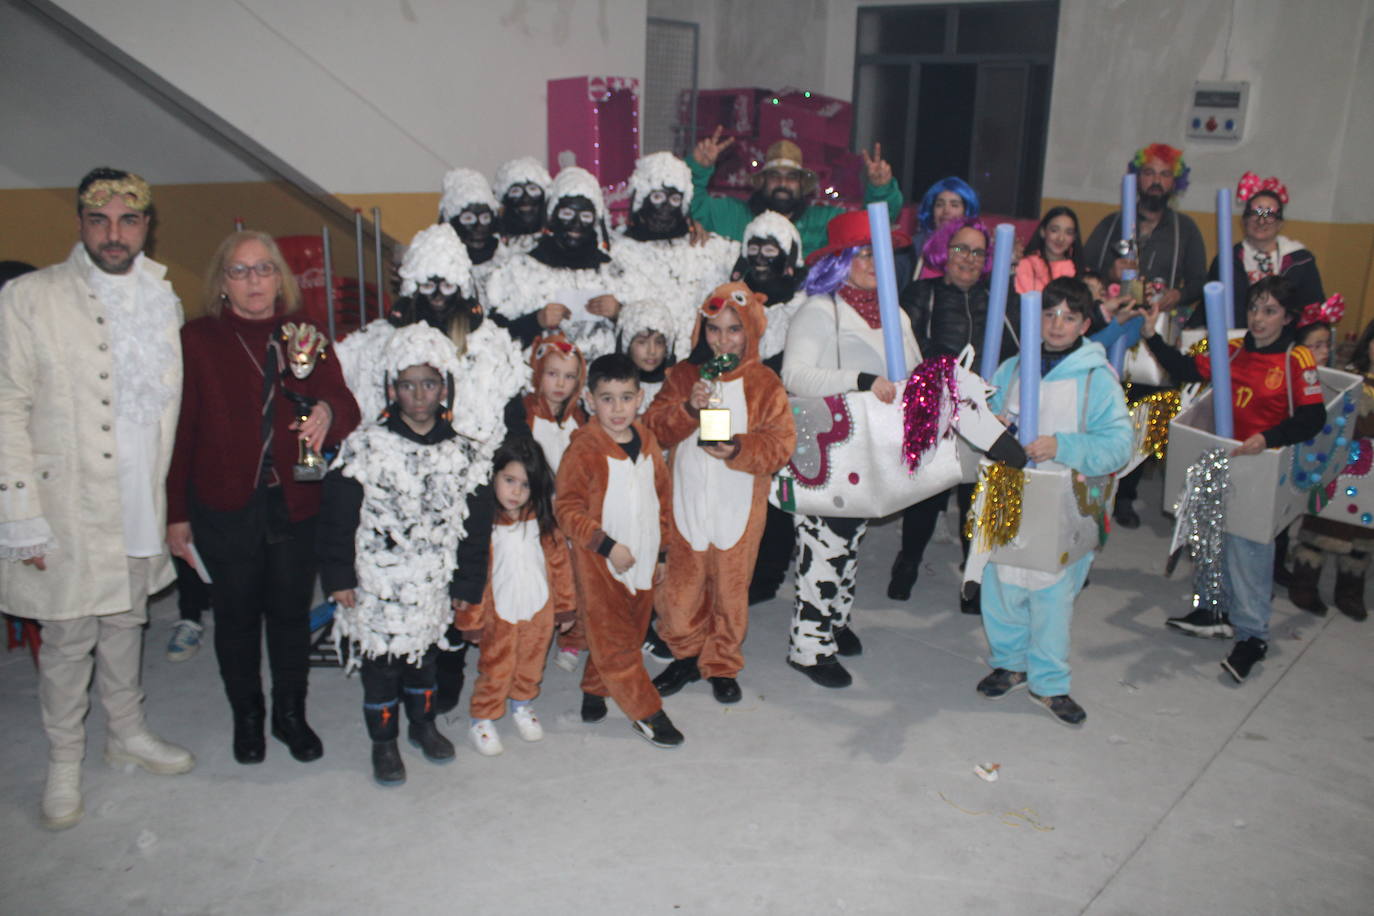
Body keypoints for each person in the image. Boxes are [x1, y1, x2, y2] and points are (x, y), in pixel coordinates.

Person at [0, 168, 193, 830]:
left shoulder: (161, 298)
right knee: (67, 639)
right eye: (100, 220)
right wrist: (20, 515)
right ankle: (62, 761)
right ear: (81, 223)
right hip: (69, 503)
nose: (115, 233)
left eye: (128, 220)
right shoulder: (31, 298)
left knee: (125, 622)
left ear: (147, 226)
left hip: (139, 493)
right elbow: (7, 406)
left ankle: (126, 733)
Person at [167, 230, 361, 765]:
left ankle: (290, 714)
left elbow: (344, 403)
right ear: (222, 283)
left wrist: (325, 411)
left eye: (264, 269)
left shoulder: (305, 335)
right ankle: (247, 716)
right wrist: (175, 513)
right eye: (240, 270)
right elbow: (180, 430)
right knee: (234, 617)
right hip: (223, 503)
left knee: (290, 615)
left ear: (280, 278)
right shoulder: (197, 340)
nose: (254, 281)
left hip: (295, 500)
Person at [336, 222, 525, 716]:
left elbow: (511, 421)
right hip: (393, 495)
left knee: (460, 593)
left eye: (447, 285)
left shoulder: (493, 343)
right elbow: (353, 409)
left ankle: (444, 679)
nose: (438, 296)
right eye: (427, 284)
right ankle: (391, 687)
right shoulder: (377, 342)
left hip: (468, 483)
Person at [317, 323, 491, 785]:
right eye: (408, 385)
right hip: (376, 587)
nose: (418, 395)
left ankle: (423, 724)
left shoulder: (463, 454)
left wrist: (466, 584)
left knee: (426, 660)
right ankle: (384, 740)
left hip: (432, 585)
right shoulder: (365, 447)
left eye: (429, 384)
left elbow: (474, 532)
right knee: (382, 667)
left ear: (445, 388)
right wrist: (339, 578)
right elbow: (337, 522)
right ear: (392, 388)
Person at [1138, 276, 1326, 682]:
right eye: (1255, 308)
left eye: (1270, 311)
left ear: (1288, 318)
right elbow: (1188, 368)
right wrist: (1151, 336)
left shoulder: (1297, 359)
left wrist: (1268, 438)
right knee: (1207, 533)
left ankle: (1253, 635)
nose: (1258, 318)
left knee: (1248, 549)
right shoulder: (1236, 351)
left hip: (1261, 465)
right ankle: (1212, 609)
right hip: (1223, 456)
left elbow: (1313, 417)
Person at [975, 278, 1133, 725]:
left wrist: (1062, 446)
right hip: (1009, 491)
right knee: (1002, 583)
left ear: (1085, 323)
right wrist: (992, 423)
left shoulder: (1095, 379)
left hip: (1064, 497)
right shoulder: (1013, 368)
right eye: (1048, 314)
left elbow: (1118, 445)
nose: (1056, 324)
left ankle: (1049, 682)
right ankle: (1009, 662)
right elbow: (983, 418)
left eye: (1068, 316)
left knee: (1051, 595)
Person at [781, 211, 921, 687]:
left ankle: (834, 623)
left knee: (851, 540)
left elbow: (914, 370)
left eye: (879, 254)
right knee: (824, 542)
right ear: (841, 261)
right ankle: (809, 644)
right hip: (826, 446)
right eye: (862, 254)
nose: (874, 264)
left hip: (872, 448)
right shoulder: (820, 310)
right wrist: (860, 382)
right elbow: (794, 376)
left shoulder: (894, 311)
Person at [645, 282, 795, 703]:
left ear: (749, 332)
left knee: (731, 592)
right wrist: (688, 409)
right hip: (687, 503)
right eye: (714, 330)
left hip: (738, 507)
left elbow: (780, 445)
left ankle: (722, 661)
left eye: (733, 330)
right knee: (680, 590)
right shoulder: (684, 375)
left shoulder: (764, 383)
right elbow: (654, 426)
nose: (723, 340)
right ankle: (685, 654)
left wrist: (739, 447)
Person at [554, 353, 682, 747]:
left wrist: (660, 554)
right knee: (616, 643)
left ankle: (595, 688)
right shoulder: (584, 448)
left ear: (640, 398)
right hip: (600, 564)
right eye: (606, 398)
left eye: (626, 397)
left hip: (642, 561)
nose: (617, 408)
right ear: (590, 400)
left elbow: (661, 499)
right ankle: (648, 712)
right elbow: (566, 509)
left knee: (626, 632)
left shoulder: (647, 441)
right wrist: (606, 545)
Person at [890, 217, 1018, 606]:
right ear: (945, 251)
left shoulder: (998, 302)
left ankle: (972, 578)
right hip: (935, 410)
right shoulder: (921, 293)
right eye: (961, 248)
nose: (969, 258)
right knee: (926, 498)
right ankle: (908, 562)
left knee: (975, 499)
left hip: (984, 414)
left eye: (978, 251)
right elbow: (905, 348)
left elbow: (1015, 356)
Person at [1084, 144, 1207, 530]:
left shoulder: (1185, 229)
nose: (1156, 180)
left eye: (1164, 174)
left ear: (1176, 181)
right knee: (1104, 409)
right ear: (1138, 178)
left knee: (1147, 416)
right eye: (1150, 173)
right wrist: (1110, 271)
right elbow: (1085, 269)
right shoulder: (1112, 223)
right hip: (1116, 328)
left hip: (1156, 335)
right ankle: (1094, 485)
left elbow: (1201, 281)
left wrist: (1178, 294)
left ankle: (1128, 493)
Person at [456, 437, 575, 756]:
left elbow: (560, 565)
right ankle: (482, 717)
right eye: (509, 481)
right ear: (493, 476)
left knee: (531, 665)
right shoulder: (484, 525)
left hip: (539, 610)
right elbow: (472, 578)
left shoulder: (543, 522)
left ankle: (521, 704)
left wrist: (565, 609)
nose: (516, 492)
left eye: (525, 485)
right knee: (496, 669)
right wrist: (471, 620)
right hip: (500, 615)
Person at [730, 211, 810, 604]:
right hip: (732, 415)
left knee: (779, 502)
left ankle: (768, 573)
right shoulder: (730, 300)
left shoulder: (804, 308)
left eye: (771, 250)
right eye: (754, 249)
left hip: (782, 422)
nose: (761, 258)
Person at [484, 166, 634, 360]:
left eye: (585, 216)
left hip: (603, 385)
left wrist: (619, 313)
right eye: (567, 214)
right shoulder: (521, 268)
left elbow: (645, 338)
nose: (576, 223)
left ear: (596, 220)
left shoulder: (614, 270)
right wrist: (535, 321)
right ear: (552, 216)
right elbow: (493, 337)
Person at [1285, 299, 1369, 621]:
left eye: (1326, 345)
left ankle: (1350, 588)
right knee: (1321, 522)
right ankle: (1304, 580)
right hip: (1331, 466)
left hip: (1367, 474)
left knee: (1362, 530)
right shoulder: (1347, 380)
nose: (1322, 350)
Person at [688, 130, 903, 256]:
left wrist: (880, 189)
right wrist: (698, 169)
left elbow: (870, 226)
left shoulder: (824, 222)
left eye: (791, 177)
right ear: (762, 182)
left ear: (802, 185)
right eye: (775, 176)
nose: (782, 182)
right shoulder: (732, 214)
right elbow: (690, 205)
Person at [613, 151, 738, 360]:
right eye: (657, 197)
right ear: (641, 199)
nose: (665, 208)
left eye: (674, 199)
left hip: (698, 372)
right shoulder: (617, 251)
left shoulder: (706, 248)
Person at [1196, 173, 1325, 329]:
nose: (1261, 221)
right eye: (1255, 214)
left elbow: (1313, 311)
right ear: (1243, 221)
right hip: (1235, 343)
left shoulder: (1301, 261)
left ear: (1280, 224)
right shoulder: (1226, 260)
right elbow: (1207, 311)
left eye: (1269, 215)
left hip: (1284, 347)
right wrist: (1192, 346)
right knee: (1195, 349)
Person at [439, 167, 508, 300]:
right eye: (468, 218)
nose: (479, 227)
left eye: (485, 218)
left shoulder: (506, 262)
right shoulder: (441, 266)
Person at [911, 177, 981, 280]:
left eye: (954, 205)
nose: (946, 211)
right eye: (940, 205)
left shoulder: (977, 249)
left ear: (967, 212)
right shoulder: (916, 246)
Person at [492, 156, 553, 257]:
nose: (525, 199)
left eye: (533, 189)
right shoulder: (493, 246)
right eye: (516, 191)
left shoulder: (557, 243)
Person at [1015, 206, 1084, 293]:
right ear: (1043, 232)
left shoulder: (1079, 271)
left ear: (1074, 238)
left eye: (1068, 233)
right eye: (1054, 230)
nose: (1060, 238)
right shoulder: (1026, 265)